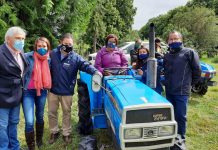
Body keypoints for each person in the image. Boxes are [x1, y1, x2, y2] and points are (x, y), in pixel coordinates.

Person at [48, 33, 99, 145]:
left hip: (67, 91)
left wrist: (95, 71)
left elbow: (85, 65)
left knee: (67, 112)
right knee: (52, 112)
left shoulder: (75, 57)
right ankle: (54, 132)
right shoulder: (52, 54)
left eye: (70, 44)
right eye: (66, 44)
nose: (68, 46)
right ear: (60, 43)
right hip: (53, 90)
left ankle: (66, 133)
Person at [163, 31, 201, 150]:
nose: (173, 41)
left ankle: (180, 141)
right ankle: (171, 137)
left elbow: (197, 70)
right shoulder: (167, 55)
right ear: (168, 41)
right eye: (171, 39)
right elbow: (166, 71)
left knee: (180, 116)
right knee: (171, 116)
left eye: (176, 38)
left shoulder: (189, 52)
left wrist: (189, 84)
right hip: (169, 91)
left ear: (181, 39)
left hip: (181, 91)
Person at [0, 26, 28, 150]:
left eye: (22, 38)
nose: (21, 41)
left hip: (16, 96)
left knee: (14, 123)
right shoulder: (0, 53)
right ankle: (4, 147)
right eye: (18, 38)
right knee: (2, 126)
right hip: (2, 97)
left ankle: (14, 146)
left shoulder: (21, 52)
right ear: (8, 39)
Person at [22, 37, 51, 149]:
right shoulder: (27, 56)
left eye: (44, 46)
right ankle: (31, 146)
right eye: (39, 46)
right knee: (29, 121)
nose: (42, 48)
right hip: (28, 92)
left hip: (42, 91)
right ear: (36, 46)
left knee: (39, 116)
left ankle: (39, 140)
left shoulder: (49, 59)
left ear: (47, 47)